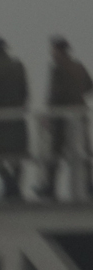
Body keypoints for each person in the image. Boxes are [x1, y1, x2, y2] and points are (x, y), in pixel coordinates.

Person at [39, 36, 93, 201]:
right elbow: (90, 87)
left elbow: (55, 95)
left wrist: (49, 116)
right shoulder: (79, 67)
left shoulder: (57, 69)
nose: (52, 53)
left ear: (59, 51)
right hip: (80, 116)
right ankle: (90, 185)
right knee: (83, 152)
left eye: (53, 49)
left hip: (61, 119)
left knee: (55, 152)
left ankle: (49, 187)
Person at [0, 36, 30, 202]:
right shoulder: (18, 66)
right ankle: (13, 189)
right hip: (17, 119)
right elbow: (25, 93)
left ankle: (10, 186)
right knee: (17, 157)